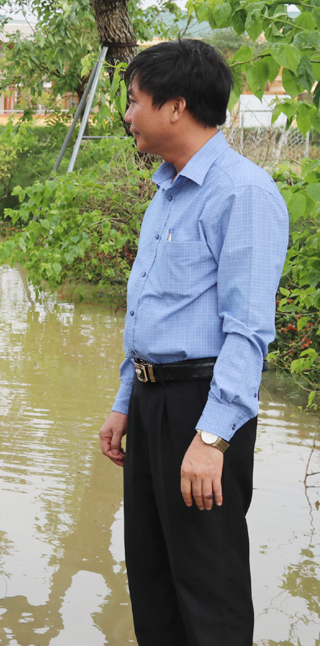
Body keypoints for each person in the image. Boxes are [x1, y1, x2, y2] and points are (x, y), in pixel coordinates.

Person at [97, 39, 289, 645]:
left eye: (134, 101)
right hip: (154, 404)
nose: (127, 115)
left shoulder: (243, 192)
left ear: (175, 106)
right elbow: (151, 311)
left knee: (210, 591)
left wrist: (211, 438)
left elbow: (248, 329)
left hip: (204, 408)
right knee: (152, 580)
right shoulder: (167, 191)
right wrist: (127, 400)